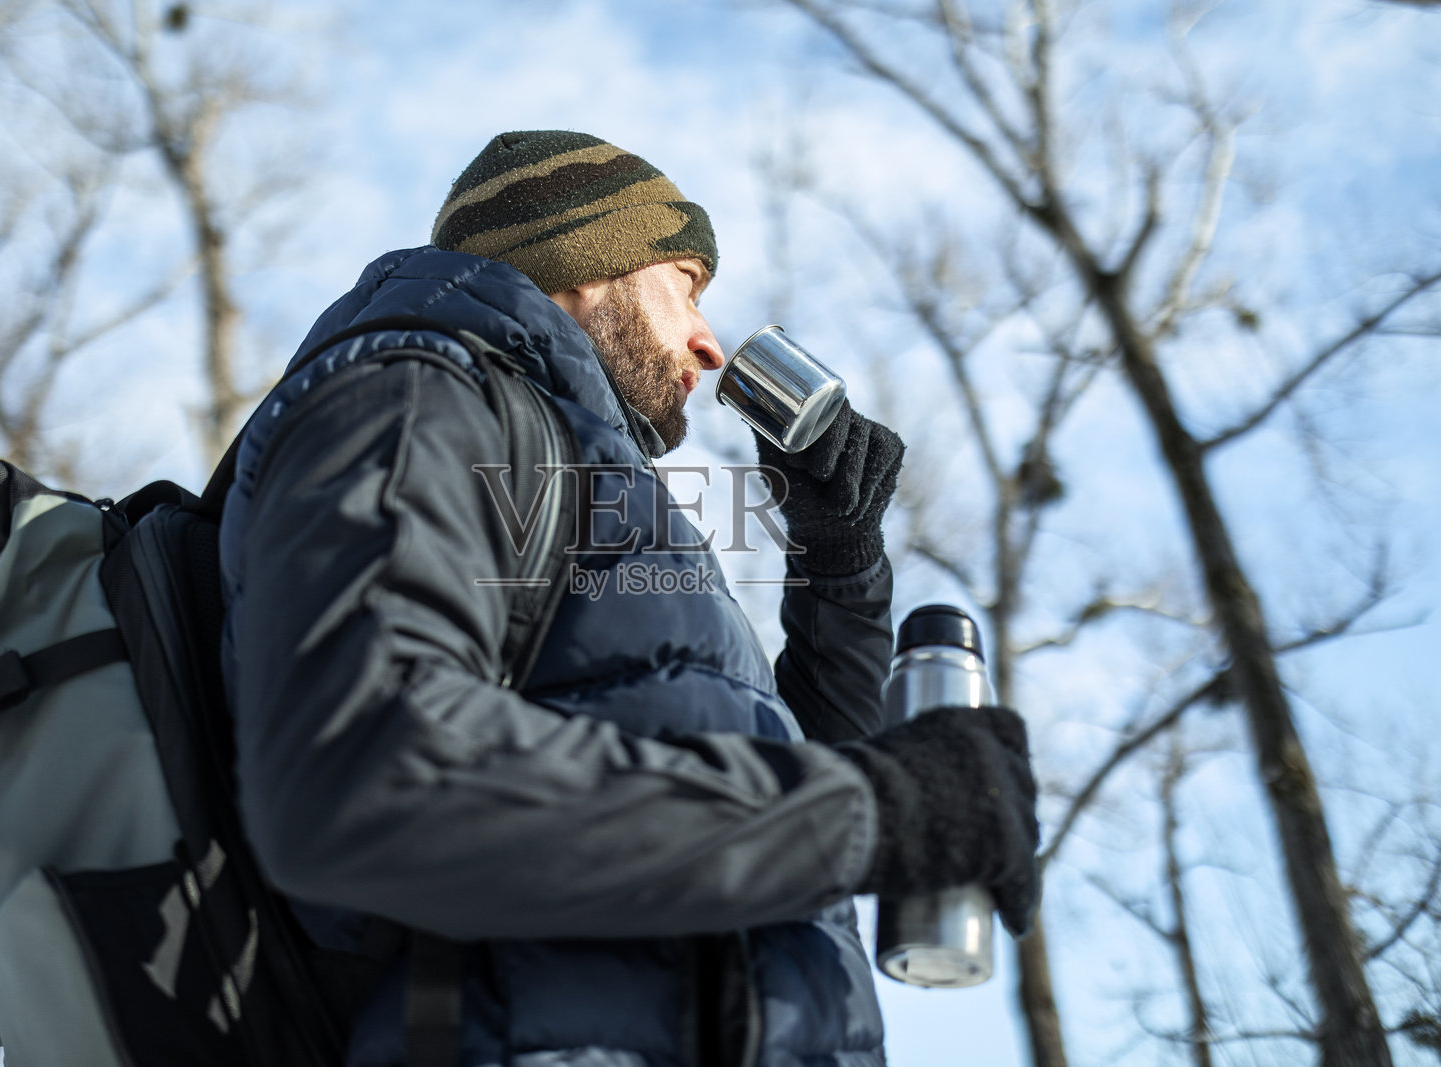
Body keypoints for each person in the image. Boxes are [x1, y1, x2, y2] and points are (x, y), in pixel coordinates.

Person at [218, 130, 1039, 1067]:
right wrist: (877, 809)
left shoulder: (589, 492)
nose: (709, 339)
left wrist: (838, 564)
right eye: (685, 282)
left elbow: (773, 819)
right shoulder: (419, 391)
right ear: (585, 263)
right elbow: (360, 774)